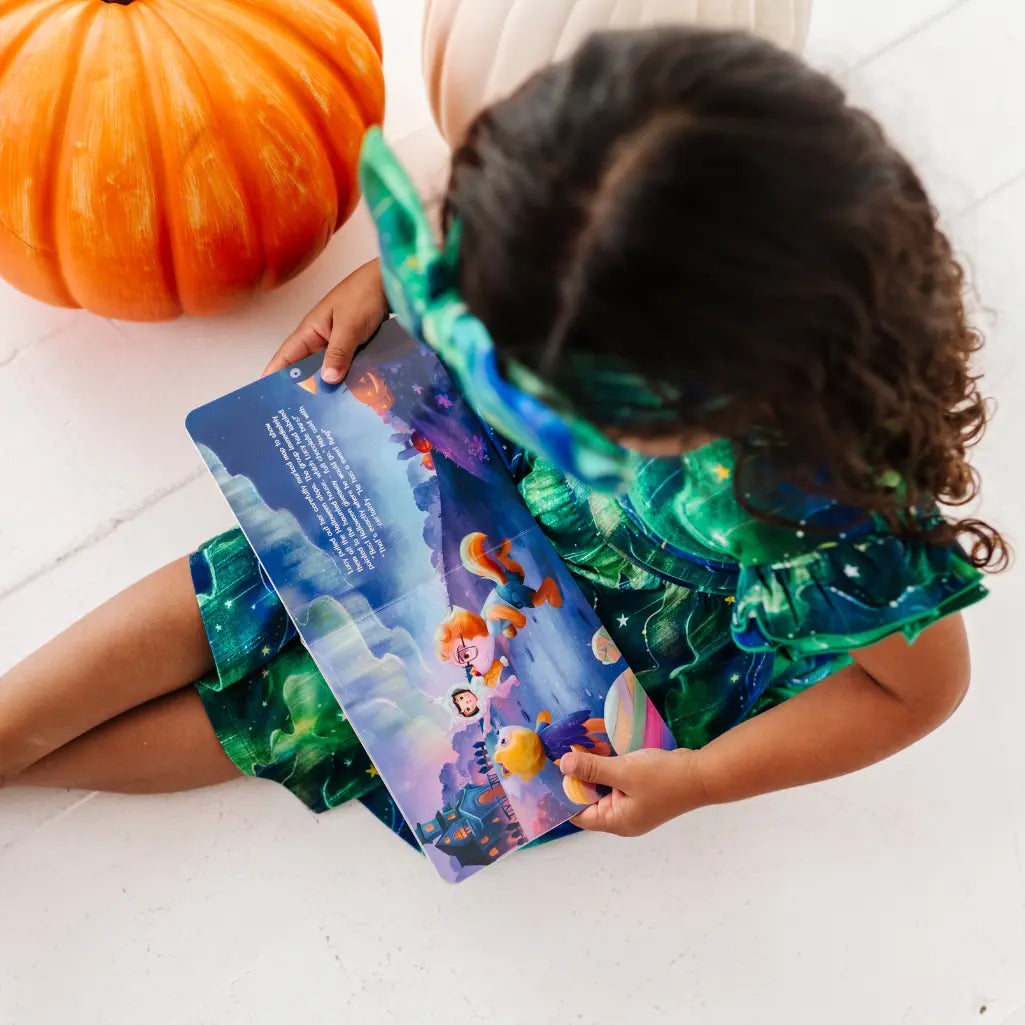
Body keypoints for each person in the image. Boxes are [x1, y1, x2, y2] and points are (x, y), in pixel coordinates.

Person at [0, 28, 1004, 839]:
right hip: (468, 478)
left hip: (616, 638)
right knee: (254, 572)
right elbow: (473, 223)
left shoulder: (832, 509)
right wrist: (389, 286)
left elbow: (912, 696)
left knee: (314, 713)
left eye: (567, 404)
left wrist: (699, 779)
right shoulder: (596, 176)